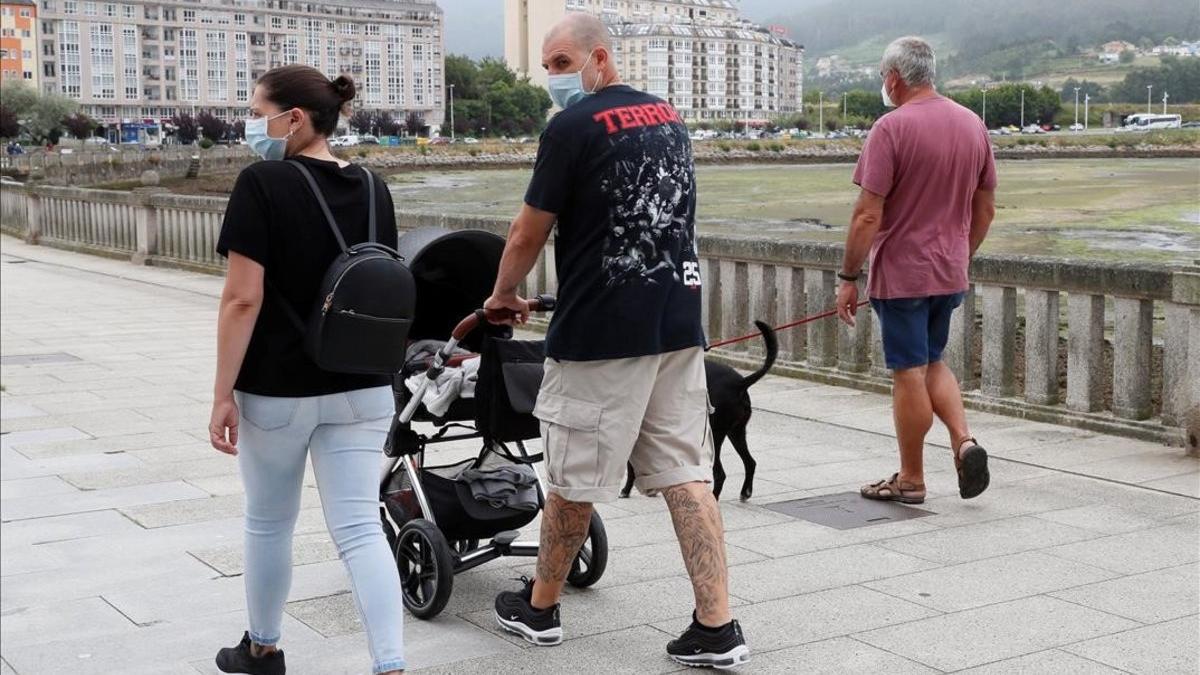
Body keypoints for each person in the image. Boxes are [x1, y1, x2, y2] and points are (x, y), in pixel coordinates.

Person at [483, 14, 748, 670]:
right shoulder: (669, 116)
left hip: (602, 330)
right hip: (677, 320)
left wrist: (500, 295)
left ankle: (540, 609)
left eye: (562, 63)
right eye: (546, 66)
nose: (553, 78)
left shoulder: (569, 127)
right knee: (687, 470)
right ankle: (717, 623)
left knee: (573, 477)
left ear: (601, 57)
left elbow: (526, 231)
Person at [207, 65, 405, 675]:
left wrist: (221, 395)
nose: (250, 123)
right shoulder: (375, 187)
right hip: (364, 386)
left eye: (256, 109)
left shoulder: (262, 183)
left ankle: (263, 649)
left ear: (294, 118)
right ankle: (390, 665)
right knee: (360, 531)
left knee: (269, 523)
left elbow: (243, 299)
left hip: (279, 388)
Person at [835, 36, 996, 505]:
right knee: (933, 361)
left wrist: (848, 277)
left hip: (903, 274)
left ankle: (911, 477)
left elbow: (867, 214)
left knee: (908, 370)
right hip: (949, 271)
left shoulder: (892, 128)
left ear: (893, 78)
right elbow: (985, 207)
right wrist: (961, 254)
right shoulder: (972, 124)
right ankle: (964, 441)